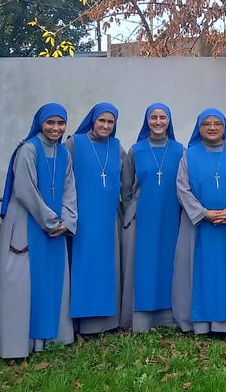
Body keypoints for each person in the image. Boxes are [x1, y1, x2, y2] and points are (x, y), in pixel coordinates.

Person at [0, 103, 76, 359]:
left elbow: (70, 190)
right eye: (51, 123)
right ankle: (17, 344)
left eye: (60, 123)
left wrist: (67, 221)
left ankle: (50, 338)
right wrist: (51, 221)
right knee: (21, 283)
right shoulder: (27, 150)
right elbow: (25, 190)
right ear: (40, 123)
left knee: (53, 279)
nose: (56, 128)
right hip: (26, 225)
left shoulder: (64, 154)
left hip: (55, 228)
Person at [173, 109, 226, 334]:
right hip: (198, 226)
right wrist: (203, 213)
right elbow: (183, 188)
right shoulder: (189, 155)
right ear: (198, 128)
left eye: (217, 123)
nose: (212, 127)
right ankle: (199, 324)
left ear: (224, 127)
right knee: (199, 271)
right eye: (206, 124)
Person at [120, 103, 184, 332]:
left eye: (162, 117)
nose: (158, 122)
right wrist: (133, 210)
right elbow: (126, 187)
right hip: (143, 215)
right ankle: (142, 319)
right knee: (143, 263)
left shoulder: (179, 150)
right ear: (147, 121)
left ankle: (168, 316)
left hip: (170, 214)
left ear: (169, 121)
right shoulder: (136, 150)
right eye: (153, 118)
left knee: (169, 262)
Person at [64, 102, 124, 335]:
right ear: (93, 120)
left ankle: (107, 322)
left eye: (110, 122)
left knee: (106, 268)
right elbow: (64, 177)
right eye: (102, 121)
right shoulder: (74, 144)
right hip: (82, 218)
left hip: (108, 218)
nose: (106, 126)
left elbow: (125, 183)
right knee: (84, 267)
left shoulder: (118, 148)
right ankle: (81, 323)